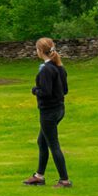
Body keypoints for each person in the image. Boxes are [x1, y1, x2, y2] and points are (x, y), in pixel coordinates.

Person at [23, 37, 71, 188]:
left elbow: (45, 92)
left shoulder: (46, 70)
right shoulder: (59, 67)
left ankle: (64, 180)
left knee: (53, 145)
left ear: (39, 51)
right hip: (59, 110)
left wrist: (35, 90)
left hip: (48, 112)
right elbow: (65, 90)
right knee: (41, 141)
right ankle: (39, 176)